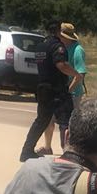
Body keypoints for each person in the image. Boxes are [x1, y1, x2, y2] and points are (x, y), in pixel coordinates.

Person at [20, 21, 75, 161]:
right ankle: (68, 154)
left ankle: (26, 151)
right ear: (58, 31)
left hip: (42, 88)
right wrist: (76, 74)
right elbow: (61, 65)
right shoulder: (57, 46)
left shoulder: (40, 46)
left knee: (41, 121)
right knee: (67, 121)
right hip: (57, 90)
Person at [61, 21, 87, 104]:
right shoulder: (64, 48)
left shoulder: (77, 50)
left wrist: (68, 91)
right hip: (64, 93)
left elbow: (80, 75)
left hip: (73, 95)